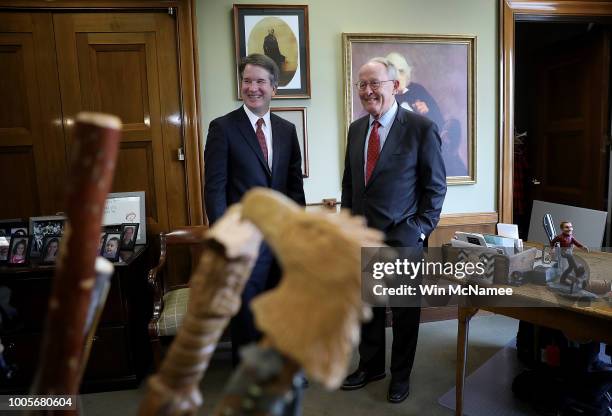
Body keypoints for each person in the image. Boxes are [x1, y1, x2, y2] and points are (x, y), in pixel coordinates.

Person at [341, 57, 447, 403]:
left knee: (403, 316)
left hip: (403, 239)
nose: (368, 91)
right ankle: (371, 366)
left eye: (375, 83)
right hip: (363, 237)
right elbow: (350, 185)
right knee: (368, 311)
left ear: (395, 86)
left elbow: (435, 189)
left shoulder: (420, 128)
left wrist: (418, 230)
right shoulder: (357, 130)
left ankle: (400, 376)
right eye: (362, 84)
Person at [204, 53, 305, 365]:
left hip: (280, 241)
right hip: (244, 243)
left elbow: (293, 187)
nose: (253, 87)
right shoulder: (222, 128)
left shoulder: (287, 130)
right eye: (247, 81)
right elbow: (215, 188)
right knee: (246, 317)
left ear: (274, 88)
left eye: (261, 81)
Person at [386, 52, 445, 130]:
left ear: (408, 72)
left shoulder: (418, 90)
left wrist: (427, 113)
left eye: (401, 71)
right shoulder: (382, 94)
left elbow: (440, 123)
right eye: (393, 72)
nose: (397, 76)